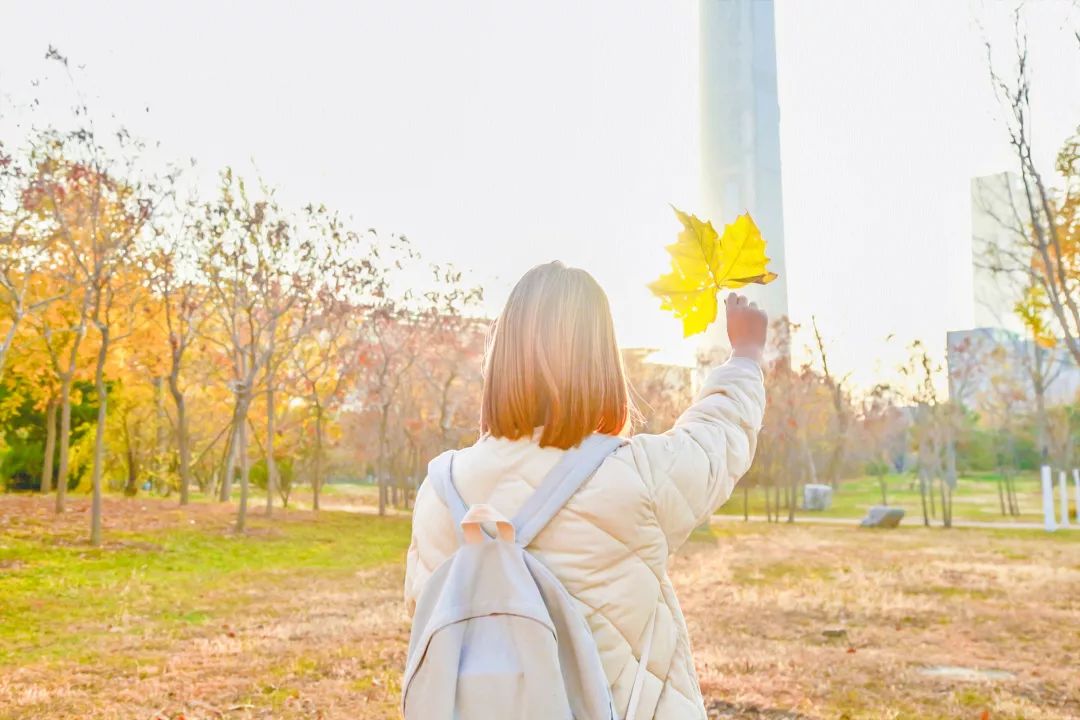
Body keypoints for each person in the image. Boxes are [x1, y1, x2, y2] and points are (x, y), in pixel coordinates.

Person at [405, 261, 767, 719]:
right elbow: (716, 439)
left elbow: (427, 618)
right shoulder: (634, 476)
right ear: (602, 363)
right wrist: (746, 357)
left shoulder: (439, 490)